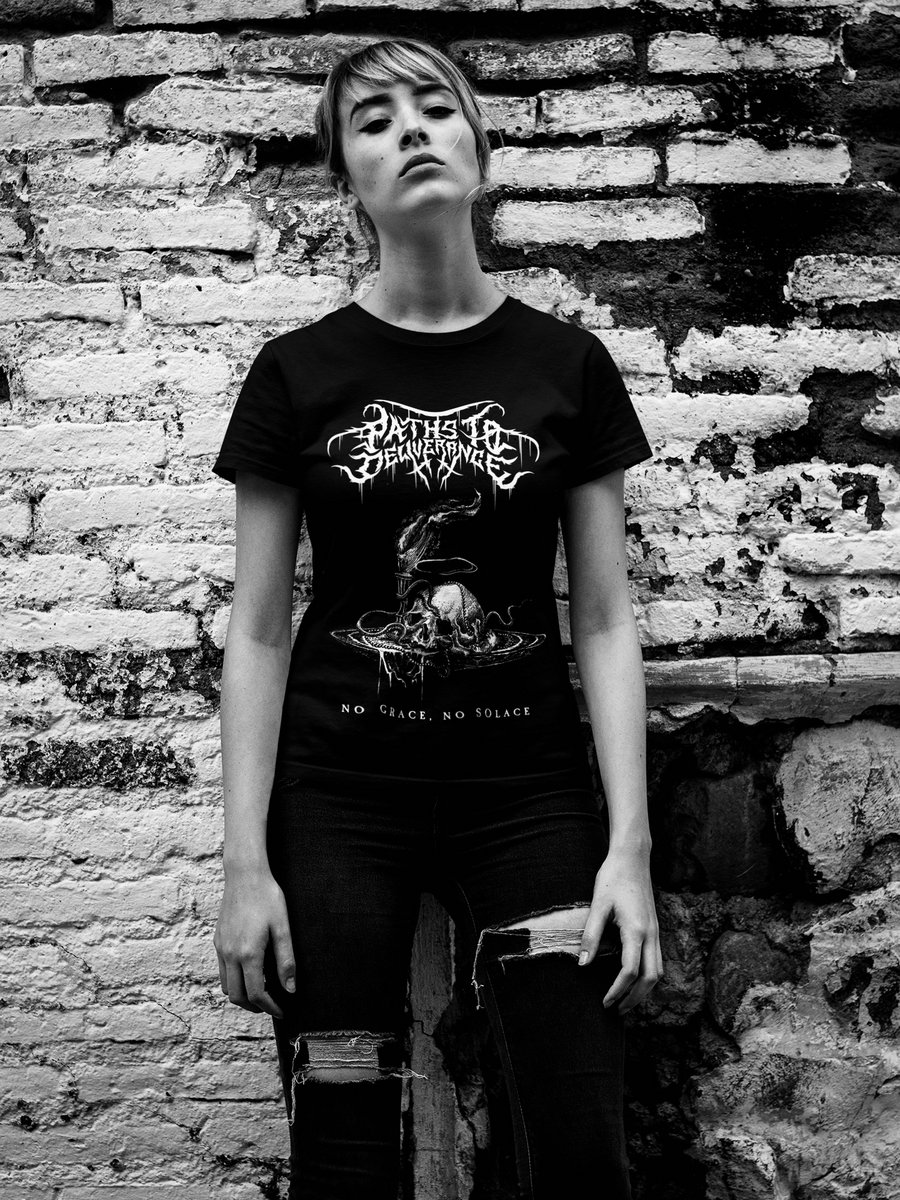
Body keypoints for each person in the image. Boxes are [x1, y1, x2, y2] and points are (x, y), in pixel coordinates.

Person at [211, 36, 662, 1200]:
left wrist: (629, 848)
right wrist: (245, 866)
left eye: (435, 108)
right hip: (337, 798)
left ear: (479, 147)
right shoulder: (297, 373)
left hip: (528, 793)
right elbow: (257, 632)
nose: (410, 130)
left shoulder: (567, 364)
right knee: (344, 1143)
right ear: (347, 180)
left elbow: (603, 619)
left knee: (578, 1150)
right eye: (374, 122)